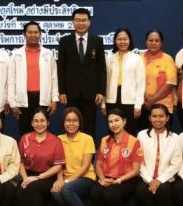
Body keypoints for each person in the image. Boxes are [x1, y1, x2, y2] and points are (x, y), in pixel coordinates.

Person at [90, 109, 144, 206]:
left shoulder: (133, 141)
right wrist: (102, 179)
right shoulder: (105, 140)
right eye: (110, 122)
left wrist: (118, 180)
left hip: (126, 180)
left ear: (124, 121)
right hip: (107, 178)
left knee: (110, 193)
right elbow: (98, 165)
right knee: (95, 191)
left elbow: (136, 171)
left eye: (117, 120)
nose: (114, 124)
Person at [17, 109, 66, 206]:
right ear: (32, 123)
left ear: (48, 122)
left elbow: (58, 166)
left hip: (47, 176)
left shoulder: (55, 141)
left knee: (33, 188)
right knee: (20, 191)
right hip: (28, 175)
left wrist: (38, 177)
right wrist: (25, 178)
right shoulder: (25, 138)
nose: (39, 124)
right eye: (36, 121)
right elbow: (20, 162)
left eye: (42, 120)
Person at [57, 7, 106, 139]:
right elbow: (61, 68)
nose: (81, 23)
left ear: (89, 22)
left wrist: (101, 91)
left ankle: (88, 151)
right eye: (77, 20)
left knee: (89, 125)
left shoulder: (97, 41)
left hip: (91, 93)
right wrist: (62, 91)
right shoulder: (64, 41)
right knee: (71, 124)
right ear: (73, 22)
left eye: (84, 20)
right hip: (70, 93)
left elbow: (102, 68)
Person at [50, 107, 97, 206]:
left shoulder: (87, 138)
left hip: (86, 177)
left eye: (75, 120)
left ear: (79, 122)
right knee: (55, 193)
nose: (71, 124)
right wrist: (59, 179)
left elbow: (85, 166)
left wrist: (66, 182)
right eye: (68, 120)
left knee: (66, 189)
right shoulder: (58, 139)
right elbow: (58, 164)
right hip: (66, 178)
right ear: (63, 123)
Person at [135, 103, 182, 206]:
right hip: (146, 176)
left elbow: (176, 163)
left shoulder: (175, 138)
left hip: (166, 177)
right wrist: (150, 180)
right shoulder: (141, 135)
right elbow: (139, 161)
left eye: (161, 116)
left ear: (167, 118)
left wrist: (159, 180)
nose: (158, 119)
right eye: (154, 116)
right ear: (149, 118)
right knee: (141, 191)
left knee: (164, 189)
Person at [8, 21, 58, 135]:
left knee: (42, 131)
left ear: (40, 34)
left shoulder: (48, 54)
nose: (33, 35)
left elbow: (54, 78)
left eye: (36, 32)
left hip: (43, 99)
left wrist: (54, 100)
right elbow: (11, 81)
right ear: (24, 35)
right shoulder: (16, 54)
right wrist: (12, 103)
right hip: (23, 100)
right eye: (30, 32)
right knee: (25, 133)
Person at [101, 28, 143, 135]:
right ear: (115, 41)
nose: (122, 42)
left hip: (130, 101)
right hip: (111, 100)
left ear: (130, 40)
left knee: (130, 130)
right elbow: (104, 82)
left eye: (125, 39)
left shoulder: (136, 59)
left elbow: (140, 84)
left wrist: (138, 105)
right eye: (119, 39)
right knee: (113, 129)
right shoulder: (109, 58)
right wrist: (103, 103)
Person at [137, 30, 177, 132]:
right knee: (145, 136)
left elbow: (170, 84)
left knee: (164, 136)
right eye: (150, 40)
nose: (153, 43)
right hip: (143, 105)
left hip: (163, 106)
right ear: (146, 42)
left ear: (161, 43)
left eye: (156, 40)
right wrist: (143, 100)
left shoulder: (168, 59)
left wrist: (152, 100)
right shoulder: (139, 58)